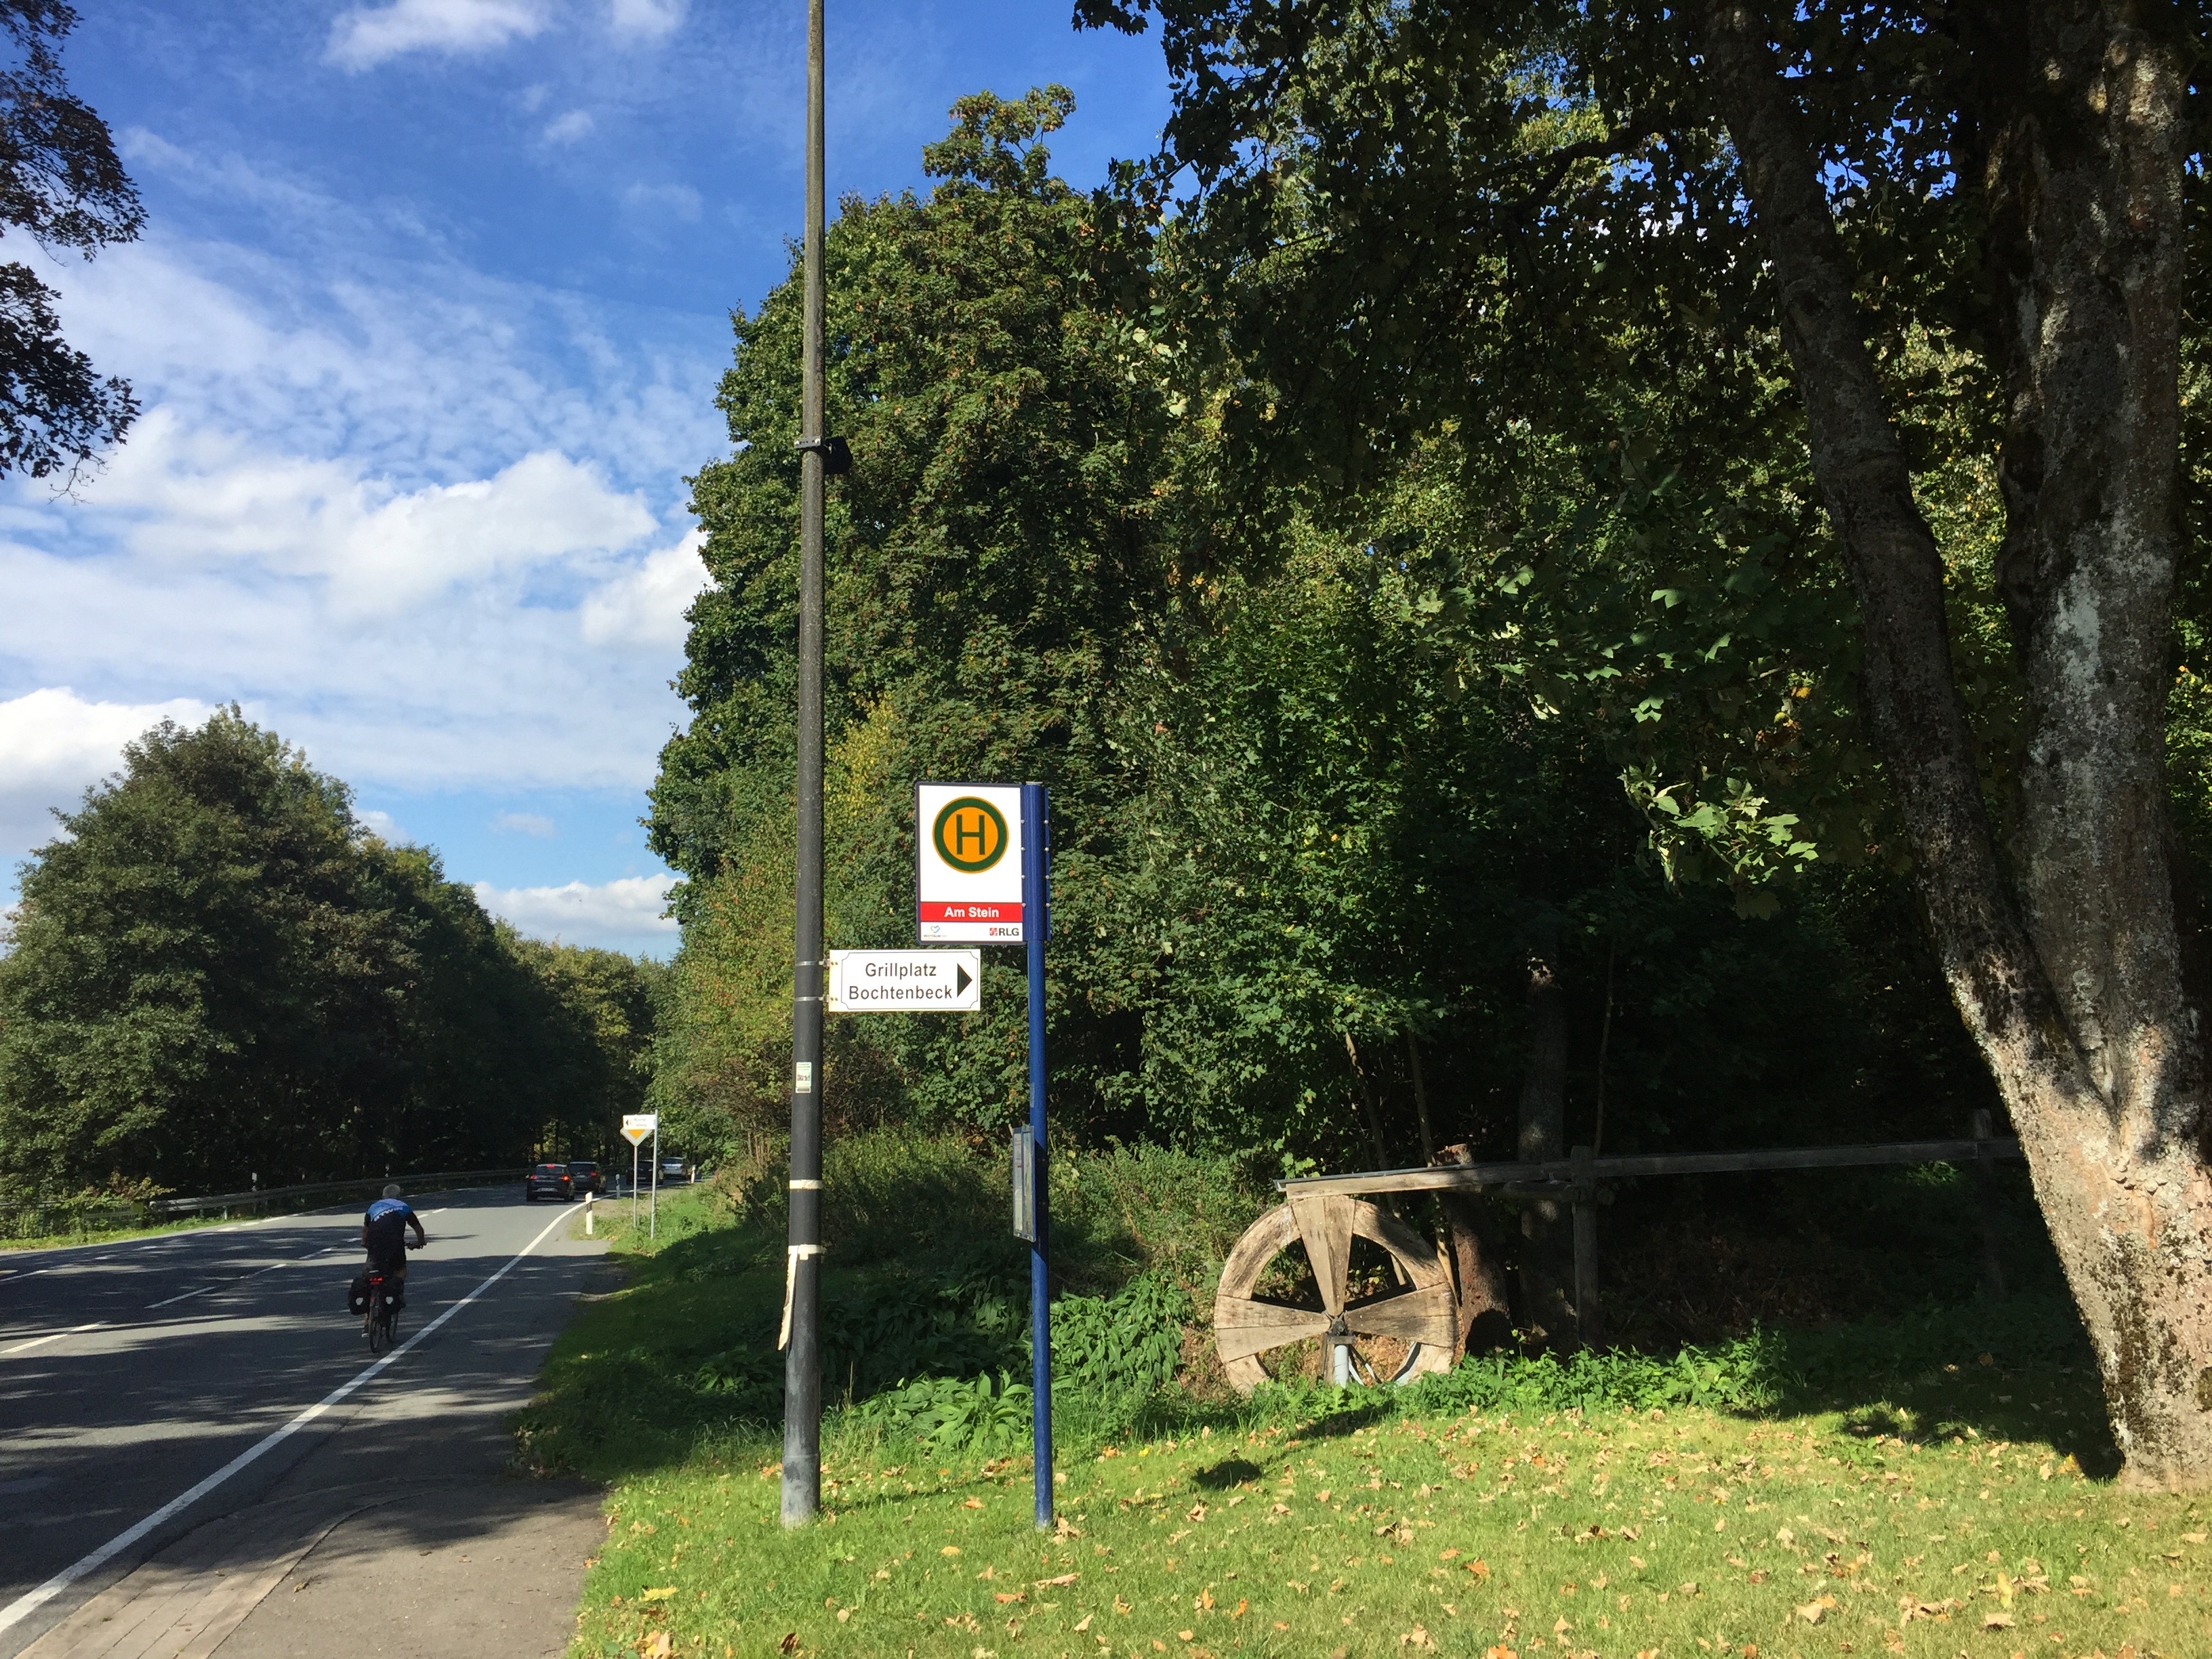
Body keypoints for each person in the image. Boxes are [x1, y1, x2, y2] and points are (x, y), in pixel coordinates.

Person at [361, 1183, 426, 1303]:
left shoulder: (373, 1207)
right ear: (398, 1196)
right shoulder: (403, 1207)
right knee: (400, 1269)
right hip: (395, 1245)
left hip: (375, 1246)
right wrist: (420, 1242)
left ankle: (368, 1317)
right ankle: (397, 1293)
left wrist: (365, 1243)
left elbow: (366, 1230)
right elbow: (418, 1228)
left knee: (370, 1276)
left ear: (383, 1196)